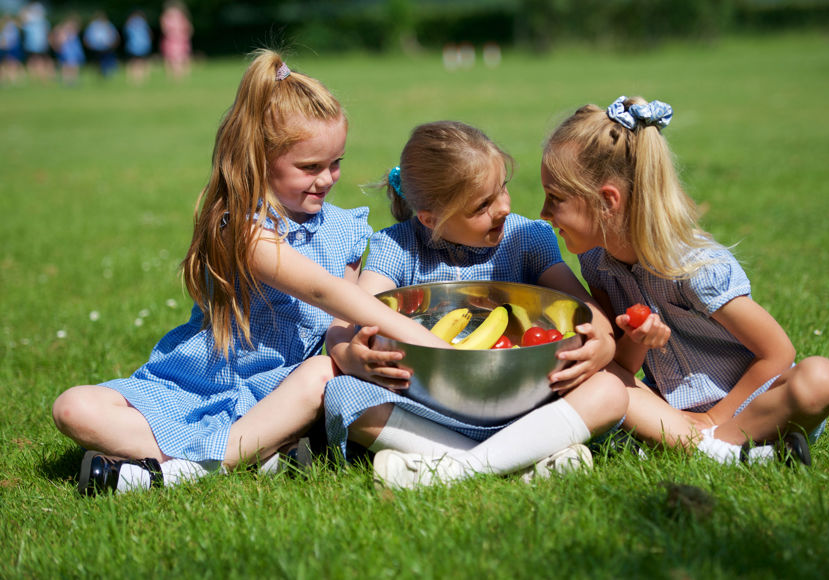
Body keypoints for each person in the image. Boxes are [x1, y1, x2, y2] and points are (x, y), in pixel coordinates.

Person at [51, 50, 449, 496]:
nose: (327, 179)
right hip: (204, 379)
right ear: (261, 159)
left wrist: (349, 354)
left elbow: (341, 323)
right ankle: (251, 453)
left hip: (285, 386)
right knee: (74, 408)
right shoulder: (239, 227)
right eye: (309, 167)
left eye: (335, 162)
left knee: (322, 372)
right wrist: (424, 340)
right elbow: (324, 291)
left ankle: (186, 468)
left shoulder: (345, 228)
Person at [538, 95, 829, 465]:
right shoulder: (596, 263)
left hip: (756, 405)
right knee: (600, 378)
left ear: (607, 201)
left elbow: (778, 353)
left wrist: (717, 420)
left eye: (555, 198)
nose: (543, 213)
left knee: (824, 378)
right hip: (672, 413)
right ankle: (740, 455)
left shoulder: (694, 268)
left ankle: (718, 445)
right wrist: (639, 342)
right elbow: (622, 364)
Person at [324, 121, 628, 489]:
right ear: (430, 219)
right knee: (340, 394)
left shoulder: (526, 236)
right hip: (430, 408)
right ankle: (525, 458)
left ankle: (447, 468)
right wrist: (348, 355)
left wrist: (605, 342)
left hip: (527, 399)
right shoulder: (397, 247)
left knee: (611, 391)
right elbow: (347, 317)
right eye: (483, 205)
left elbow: (584, 307)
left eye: (503, 189)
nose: (503, 207)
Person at [160, 0, 192, 81]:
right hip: (173, 40)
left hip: (179, 40)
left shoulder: (179, 17)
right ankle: (175, 76)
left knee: (180, 58)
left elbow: (188, 28)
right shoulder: (167, 18)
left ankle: (179, 76)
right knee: (172, 58)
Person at [50, 14, 85, 86]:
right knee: (68, 65)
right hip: (68, 50)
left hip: (72, 49)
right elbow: (60, 39)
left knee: (72, 65)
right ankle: (67, 81)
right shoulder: (64, 30)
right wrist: (58, 47)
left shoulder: (69, 30)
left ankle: (71, 80)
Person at [83, 11, 119, 78]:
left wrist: (113, 43)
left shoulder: (108, 25)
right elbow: (87, 37)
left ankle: (106, 73)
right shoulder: (93, 26)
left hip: (106, 47)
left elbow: (114, 35)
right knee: (99, 61)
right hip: (96, 47)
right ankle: (101, 73)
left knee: (107, 61)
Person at [123, 10, 152, 85]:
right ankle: (143, 78)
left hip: (132, 46)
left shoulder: (130, 23)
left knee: (132, 62)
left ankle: (133, 79)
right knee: (143, 62)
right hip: (144, 45)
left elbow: (126, 33)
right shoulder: (143, 22)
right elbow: (148, 33)